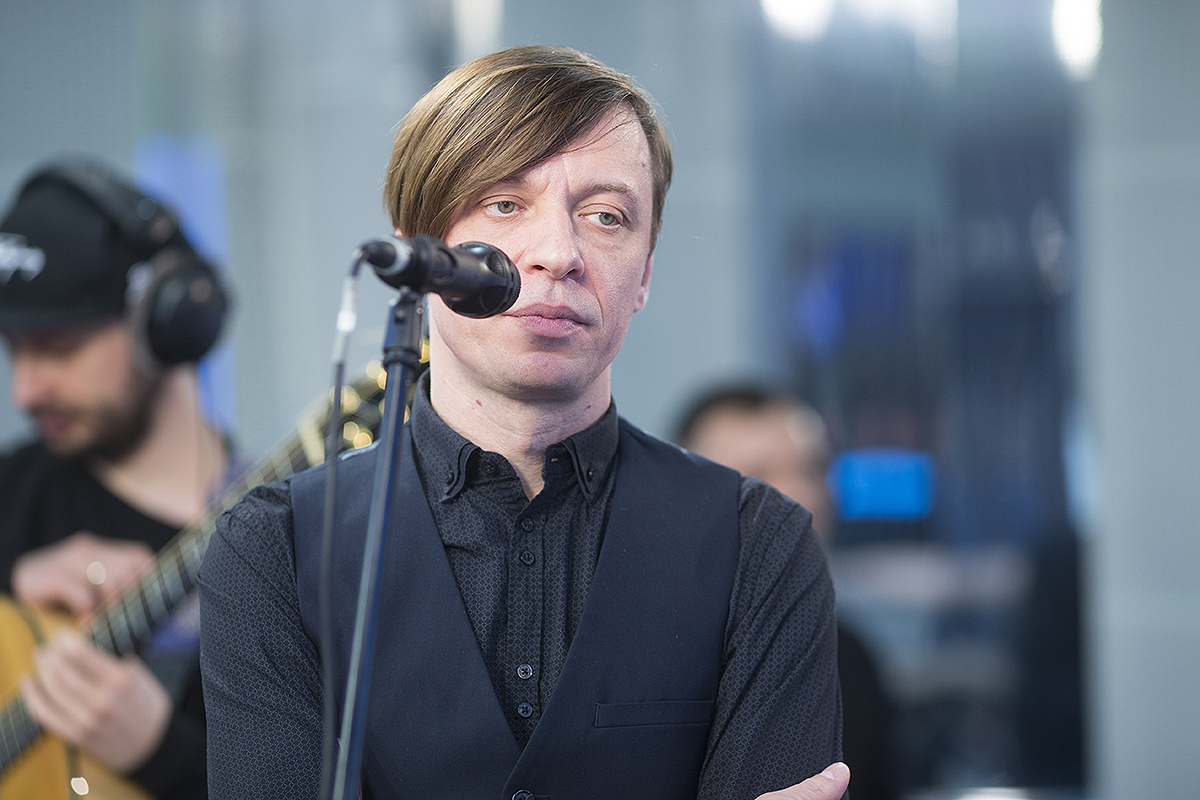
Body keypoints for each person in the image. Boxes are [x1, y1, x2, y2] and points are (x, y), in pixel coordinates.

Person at [199, 45, 849, 800]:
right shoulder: (272, 550)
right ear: (419, 250)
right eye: (505, 204)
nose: (558, 254)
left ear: (644, 273)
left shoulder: (759, 544)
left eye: (606, 217)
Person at [0, 159, 232, 800]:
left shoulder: (287, 541)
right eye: (12, 350)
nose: (25, 390)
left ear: (168, 322)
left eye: (58, 349)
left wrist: (161, 753)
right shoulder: (11, 492)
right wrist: (13, 587)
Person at [675, 385, 899, 800]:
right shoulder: (643, 661)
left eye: (812, 470)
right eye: (758, 476)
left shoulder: (850, 656)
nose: (802, 497)